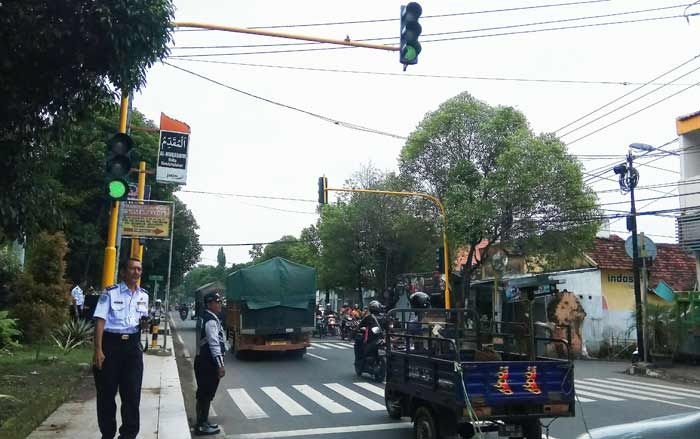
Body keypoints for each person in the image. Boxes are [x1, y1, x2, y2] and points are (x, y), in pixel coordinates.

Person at [92, 258, 149, 439]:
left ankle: (129, 434)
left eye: (139, 269)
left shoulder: (143, 295)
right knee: (106, 394)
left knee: (132, 394)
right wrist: (98, 350)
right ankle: (107, 434)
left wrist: (145, 325)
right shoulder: (110, 293)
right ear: (123, 272)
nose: (136, 272)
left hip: (132, 346)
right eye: (132, 269)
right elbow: (100, 321)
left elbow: (142, 320)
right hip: (111, 345)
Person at [194, 292, 226, 436]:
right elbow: (214, 344)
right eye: (217, 302)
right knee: (206, 394)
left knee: (203, 393)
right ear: (209, 304)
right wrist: (220, 365)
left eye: (220, 302)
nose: (220, 305)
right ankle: (201, 425)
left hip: (202, 360)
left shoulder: (204, 317)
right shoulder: (211, 321)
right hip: (208, 362)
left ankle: (203, 422)